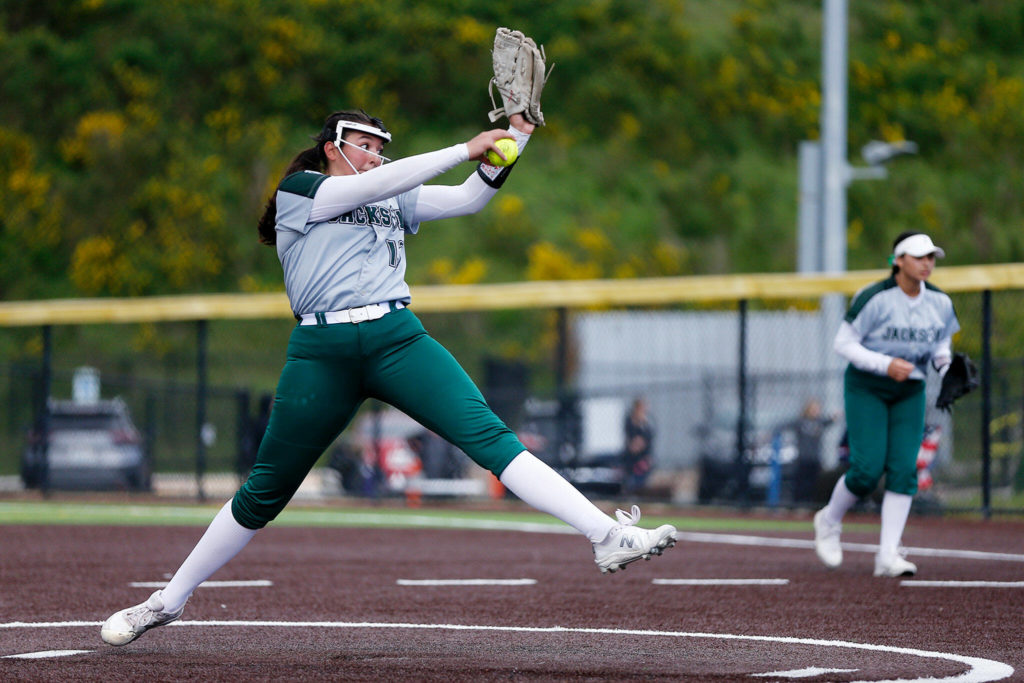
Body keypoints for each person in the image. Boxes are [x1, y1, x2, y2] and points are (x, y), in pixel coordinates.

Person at [100, 109, 677, 646]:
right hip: (322, 350)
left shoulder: (387, 191)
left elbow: (467, 200)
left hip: (396, 338)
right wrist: (463, 145)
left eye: (381, 147)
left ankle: (606, 537)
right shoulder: (300, 190)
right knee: (266, 489)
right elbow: (371, 187)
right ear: (332, 148)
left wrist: (515, 139)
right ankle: (167, 601)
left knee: (490, 436)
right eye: (366, 145)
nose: (376, 155)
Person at [813, 231, 959, 577]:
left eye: (931, 257)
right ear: (898, 260)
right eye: (920, 256)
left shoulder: (939, 302)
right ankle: (829, 521)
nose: (927, 263)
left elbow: (940, 348)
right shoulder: (875, 297)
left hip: (910, 388)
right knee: (866, 470)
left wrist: (947, 368)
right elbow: (843, 344)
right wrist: (884, 364)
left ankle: (888, 555)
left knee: (904, 469)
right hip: (868, 386)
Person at [783, 399, 835, 505]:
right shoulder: (800, 422)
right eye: (813, 409)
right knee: (801, 483)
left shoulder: (819, 422)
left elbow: (830, 420)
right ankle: (798, 503)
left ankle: (811, 503)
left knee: (815, 483)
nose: (816, 411)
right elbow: (784, 425)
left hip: (815, 458)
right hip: (803, 458)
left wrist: (835, 416)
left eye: (817, 409)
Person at [621, 397, 654, 494]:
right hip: (632, 458)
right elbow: (634, 443)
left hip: (644, 456)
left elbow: (648, 438)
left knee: (642, 481)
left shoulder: (647, 422)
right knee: (632, 481)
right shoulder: (631, 421)